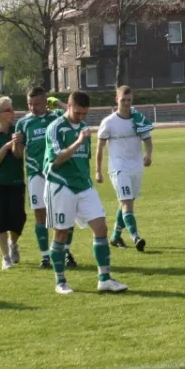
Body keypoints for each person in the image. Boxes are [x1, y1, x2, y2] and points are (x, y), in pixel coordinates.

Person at [44, 90, 128, 294]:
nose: (82, 118)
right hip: (60, 185)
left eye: (85, 114)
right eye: (78, 113)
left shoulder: (82, 127)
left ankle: (104, 279)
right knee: (61, 234)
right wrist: (78, 142)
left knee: (101, 228)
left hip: (83, 185)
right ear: (69, 107)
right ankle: (60, 282)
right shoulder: (56, 128)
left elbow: (83, 159)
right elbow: (57, 159)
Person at [15, 87, 77, 269]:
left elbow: (74, 114)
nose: (33, 108)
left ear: (45, 102)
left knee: (65, 213)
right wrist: (16, 144)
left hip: (58, 173)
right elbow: (18, 154)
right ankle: (45, 256)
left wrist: (57, 102)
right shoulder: (23, 123)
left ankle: (65, 252)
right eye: (30, 104)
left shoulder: (56, 116)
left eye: (37, 104)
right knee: (40, 214)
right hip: (36, 173)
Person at [96, 85, 153, 252]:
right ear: (116, 100)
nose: (126, 103)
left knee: (127, 202)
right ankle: (135, 236)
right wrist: (98, 171)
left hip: (136, 167)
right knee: (127, 202)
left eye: (129, 100)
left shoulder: (138, 119)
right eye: (123, 100)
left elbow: (147, 140)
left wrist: (148, 154)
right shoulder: (109, 122)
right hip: (118, 168)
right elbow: (99, 147)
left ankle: (115, 236)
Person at [0, 96, 27, 270]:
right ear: (0, 115)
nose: (13, 111)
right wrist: (6, 146)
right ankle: (6, 257)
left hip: (15, 181)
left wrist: (16, 144)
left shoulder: (17, 130)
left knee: (18, 219)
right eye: (8, 109)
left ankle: (13, 243)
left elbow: (18, 156)